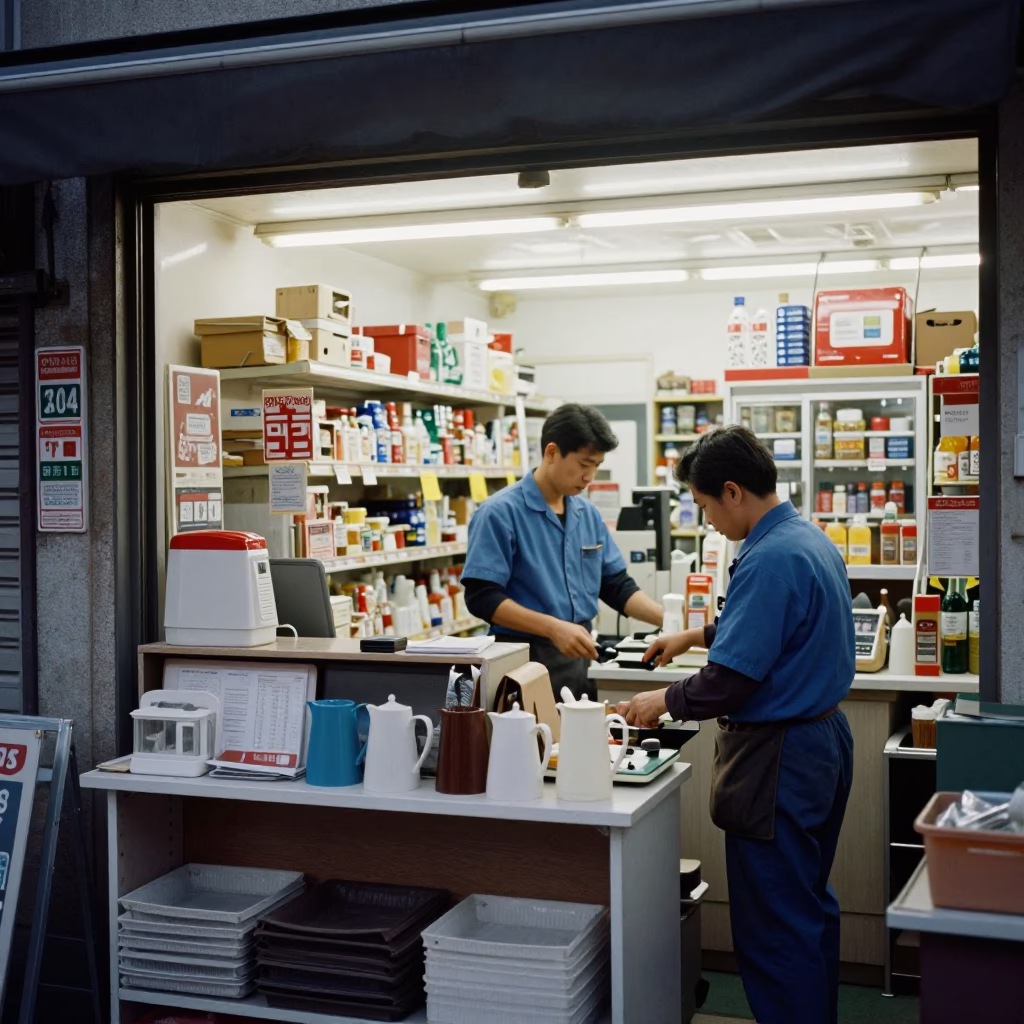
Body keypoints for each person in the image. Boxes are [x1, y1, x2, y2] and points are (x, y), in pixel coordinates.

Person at [619, 426, 855, 1024]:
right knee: (806, 907)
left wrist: (660, 702)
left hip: (780, 758)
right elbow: (772, 629)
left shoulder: (769, 558)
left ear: (731, 491)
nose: (707, 522)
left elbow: (730, 681)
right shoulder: (806, 539)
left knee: (775, 925)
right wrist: (693, 635)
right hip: (823, 743)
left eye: (703, 507)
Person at [463, 403, 664, 699]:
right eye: (584, 465)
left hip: (579, 654)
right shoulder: (499, 513)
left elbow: (615, 585)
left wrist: (673, 620)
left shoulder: (587, 514)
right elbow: (481, 597)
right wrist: (553, 629)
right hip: (522, 659)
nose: (589, 477)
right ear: (552, 452)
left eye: (595, 466)